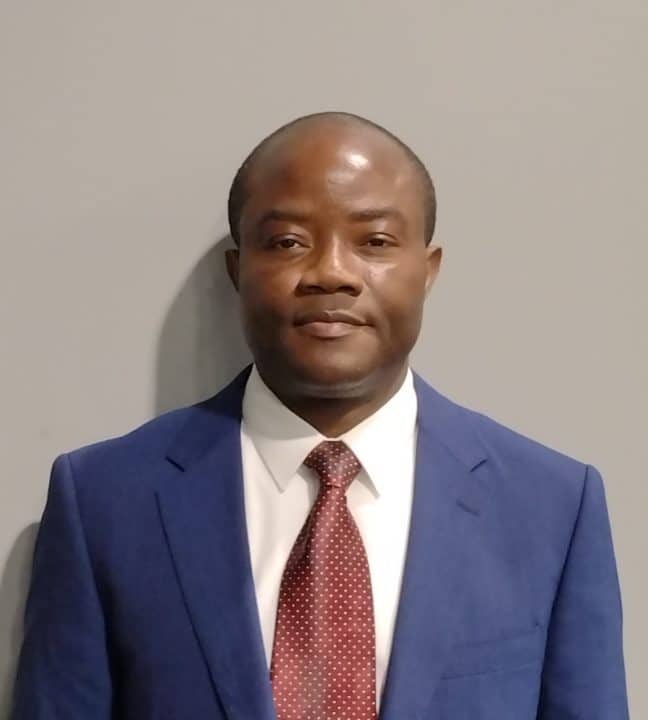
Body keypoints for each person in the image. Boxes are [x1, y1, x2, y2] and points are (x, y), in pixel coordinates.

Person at [11, 112, 629, 719]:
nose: (332, 272)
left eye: (375, 241)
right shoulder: (105, 501)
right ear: (238, 272)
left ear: (428, 270)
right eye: (288, 242)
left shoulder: (551, 507)